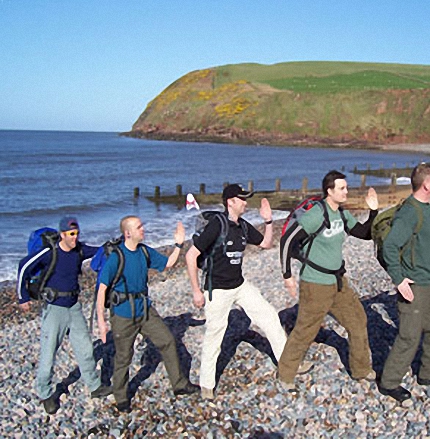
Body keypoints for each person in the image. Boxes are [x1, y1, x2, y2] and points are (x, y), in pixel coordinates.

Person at [186, 184, 307, 400]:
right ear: (230, 201)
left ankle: (288, 365)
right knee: (214, 336)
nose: (245, 202)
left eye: (245, 198)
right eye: (241, 199)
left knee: (270, 317)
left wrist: (268, 221)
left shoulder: (242, 226)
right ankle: (206, 386)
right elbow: (190, 256)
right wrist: (196, 291)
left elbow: (266, 243)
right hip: (217, 290)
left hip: (240, 285)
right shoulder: (216, 225)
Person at [277, 170, 379, 391]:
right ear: (329, 191)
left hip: (339, 282)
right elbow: (286, 241)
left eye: (346, 187)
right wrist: (287, 276)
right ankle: (285, 375)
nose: (346, 191)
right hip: (315, 284)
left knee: (358, 320)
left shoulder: (341, 214)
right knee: (306, 329)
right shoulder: (316, 214)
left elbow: (364, 233)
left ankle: (361, 369)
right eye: (342, 188)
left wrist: (373, 211)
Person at [377, 163, 430, 402]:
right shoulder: (409, 213)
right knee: (409, 335)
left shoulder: (424, 208)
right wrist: (399, 279)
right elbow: (390, 246)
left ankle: (426, 373)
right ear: (426, 184)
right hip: (413, 283)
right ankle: (389, 382)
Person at [96, 216, 198, 413]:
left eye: (142, 225)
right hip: (123, 314)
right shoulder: (116, 256)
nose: (143, 229)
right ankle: (121, 396)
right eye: (139, 227)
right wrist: (101, 322)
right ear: (128, 233)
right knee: (124, 356)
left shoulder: (144, 251)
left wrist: (179, 243)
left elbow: (168, 263)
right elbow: (102, 289)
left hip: (145, 310)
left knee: (167, 340)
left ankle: (179, 385)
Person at [17, 216, 112, 415]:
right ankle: (45, 393)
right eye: (71, 234)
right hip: (55, 310)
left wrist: (114, 243)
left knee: (85, 348)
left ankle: (94, 387)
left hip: (74, 306)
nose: (74, 238)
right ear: (62, 234)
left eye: (76, 233)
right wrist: (22, 296)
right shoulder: (49, 252)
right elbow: (24, 266)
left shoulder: (79, 250)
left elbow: (98, 251)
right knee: (49, 352)